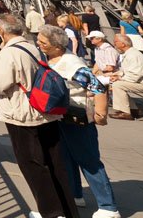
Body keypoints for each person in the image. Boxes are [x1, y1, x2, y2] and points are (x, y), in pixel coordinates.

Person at [0, 13, 76, 218]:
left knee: (33, 166)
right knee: (55, 164)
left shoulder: (9, 53)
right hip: (45, 112)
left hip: (23, 115)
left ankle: (51, 213)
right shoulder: (32, 47)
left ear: (1, 32)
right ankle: (66, 210)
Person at [37, 25, 120, 218]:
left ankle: (108, 206)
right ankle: (74, 194)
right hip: (60, 116)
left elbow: (97, 87)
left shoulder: (73, 65)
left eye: (43, 42)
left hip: (78, 118)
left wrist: (101, 114)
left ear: (57, 46)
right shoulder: (50, 58)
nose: (39, 44)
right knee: (65, 158)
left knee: (88, 160)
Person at [106, 34, 143, 120]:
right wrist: (117, 75)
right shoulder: (130, 53)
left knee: (117, 85)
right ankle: (133, 109)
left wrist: (119, 78)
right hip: (142, 82)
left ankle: (125, 112)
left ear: (123, 44)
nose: (114, 44)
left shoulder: (133, 55)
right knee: (114, 83)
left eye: (116, 42)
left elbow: (135, 75)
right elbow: (129, 71)